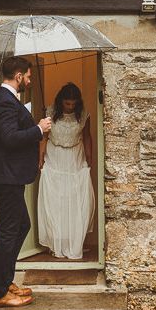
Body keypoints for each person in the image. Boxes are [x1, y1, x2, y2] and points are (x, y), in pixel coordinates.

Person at [0, 56, 52, 308]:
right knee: (10, 230)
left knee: (22, 225)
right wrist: (38, 129)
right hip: (6, 176)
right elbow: (10, 138)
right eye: (28, 76)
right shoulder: (4, 102)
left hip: (10, 175)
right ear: (19, 76)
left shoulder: (8, 101)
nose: (30, 80)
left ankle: (6, 281)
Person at [37, 82, 95, 260]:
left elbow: (87, 138)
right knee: (56, 199)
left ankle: (73, 242)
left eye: (73, 104)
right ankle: (56, 243)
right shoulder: (49, 112)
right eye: (67, 103)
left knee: (74, 198)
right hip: (54, 156)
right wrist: (40, 158)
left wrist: (89, 159)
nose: (70, 107)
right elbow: (44, 137)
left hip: (75, 158)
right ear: (61, 101)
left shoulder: (83, 115)